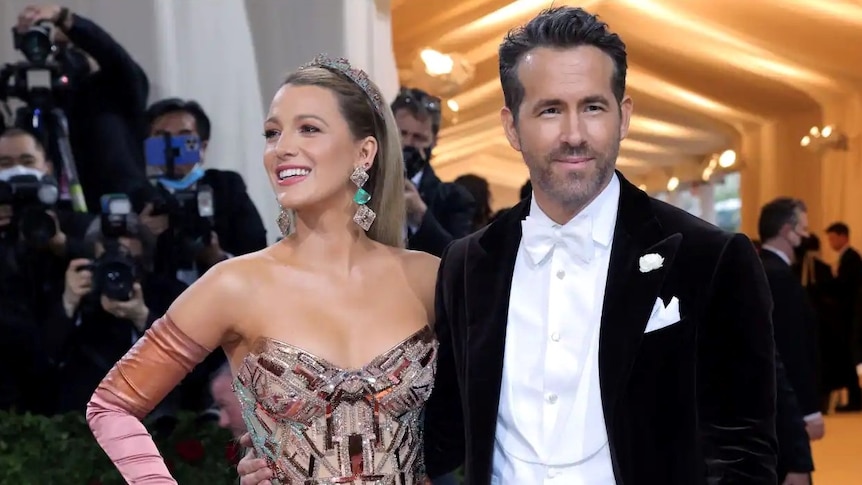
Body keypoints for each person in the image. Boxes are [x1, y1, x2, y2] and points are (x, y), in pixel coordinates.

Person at [241, 6, 778, 485]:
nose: (573, 133)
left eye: (593, 107)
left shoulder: (709, 258)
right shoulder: (469, 263)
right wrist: (292, 453)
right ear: (512, 127)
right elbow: (436, 430)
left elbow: (744, 451)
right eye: (549, 110)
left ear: (625, 116)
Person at [86, 54, 440, 484]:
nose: (282, 148)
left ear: (364, 152)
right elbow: (112, 405)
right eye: (273, 133)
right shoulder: (234, 284)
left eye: (308, 128)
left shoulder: (427, 278)